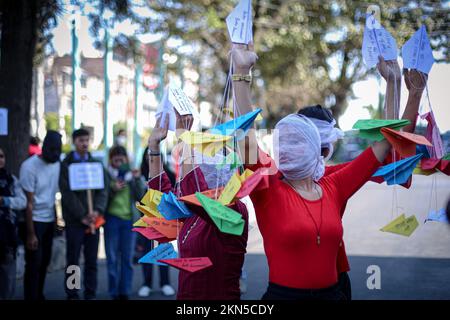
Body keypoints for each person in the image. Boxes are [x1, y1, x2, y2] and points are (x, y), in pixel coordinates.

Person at [230, 43, 399, 300]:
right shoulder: (269, 187)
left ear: (317, 148)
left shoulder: (335, 186)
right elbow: (246, 140)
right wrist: (241, 75)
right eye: (283, 143)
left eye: (297, 143)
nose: (288, 150)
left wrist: (392, 84)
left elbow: (385, 142)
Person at [296, 66, 427, 300]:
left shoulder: (332, 178)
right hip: (298, 283)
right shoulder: (321, 178)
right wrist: (405, 90)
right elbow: (391, 141)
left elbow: (390, 143)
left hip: (327, 280)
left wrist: (394, 85)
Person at [147, 112, 249, 300]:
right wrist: (154, 147)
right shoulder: (193, 210)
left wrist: (184, 138)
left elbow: (196, 193)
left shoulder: (235, 210)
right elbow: (160, 199)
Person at [59, 128, 108, 300]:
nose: (85, 143)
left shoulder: (96, 164)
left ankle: (90, 293)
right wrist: (82, 215)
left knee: (91, 260)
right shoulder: (66, 165)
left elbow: (103, 190)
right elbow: (66, 193)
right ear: (74, 142)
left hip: (94, 221)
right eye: (81, 140)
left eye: (87, 140)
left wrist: (96, 211)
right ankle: (72, 293)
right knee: (73, 260)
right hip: (75, 222)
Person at [19, 130, 62, 300]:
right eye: (52, 150)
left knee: (45, 262)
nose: (55, 154)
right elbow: (27, 204)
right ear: (44, 147)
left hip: (50, 219)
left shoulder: (57, 163)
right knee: (33, 264)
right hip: (33, 221)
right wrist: (30, 234)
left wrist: (57, 219)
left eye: (58, 150)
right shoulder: (29, 167)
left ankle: (39, 294)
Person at [104, 145, 145, 300]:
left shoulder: (131, 175)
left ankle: (125, 292)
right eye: (116, 158)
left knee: (127, 259)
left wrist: (137, 178)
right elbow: (100, 197)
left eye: (122, 158)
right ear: (111, 160)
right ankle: (113, 292)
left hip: (129, 221)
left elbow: (141, 196)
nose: (119, 161)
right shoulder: (107, 174)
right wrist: (113, 188)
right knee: (112, 258)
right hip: (111, 220)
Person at [137, 147, 176, 297]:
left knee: (164, 251)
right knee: (147, 251)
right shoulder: (138, 176)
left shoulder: (169, 175)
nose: (150, 158)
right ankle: (146, 283)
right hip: (145, 220)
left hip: (164, 221)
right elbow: (135, 197)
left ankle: (165, 283)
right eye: (147, 155)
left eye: (153, 155)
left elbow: (173, 195)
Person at [0, 147, 26, 299]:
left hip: (7, 238)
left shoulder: (11, 180)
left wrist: (4, 200)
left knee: (8, 282)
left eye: (2, 156)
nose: (0, 159)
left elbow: (22, 201)